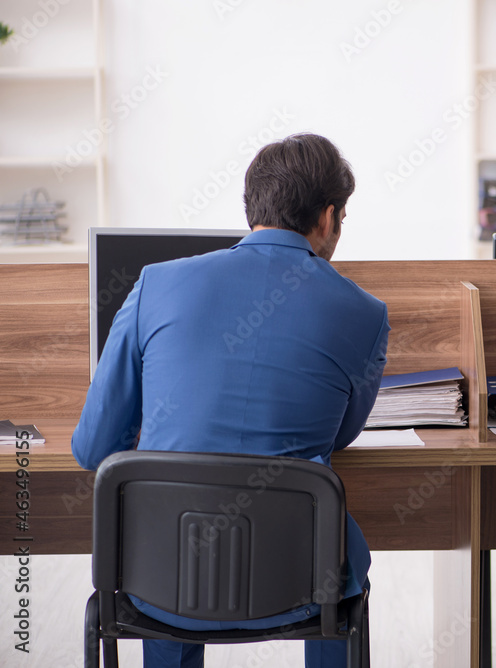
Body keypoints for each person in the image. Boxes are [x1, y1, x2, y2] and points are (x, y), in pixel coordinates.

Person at [72, 133, 389, 668]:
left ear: (253, 207)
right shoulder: (364, 312)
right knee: (335, 561)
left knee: (167, 552)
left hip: (164, 582)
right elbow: (339, 434)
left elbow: (94, 448)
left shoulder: (157, 283)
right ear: (330, 217)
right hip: (299, 583)